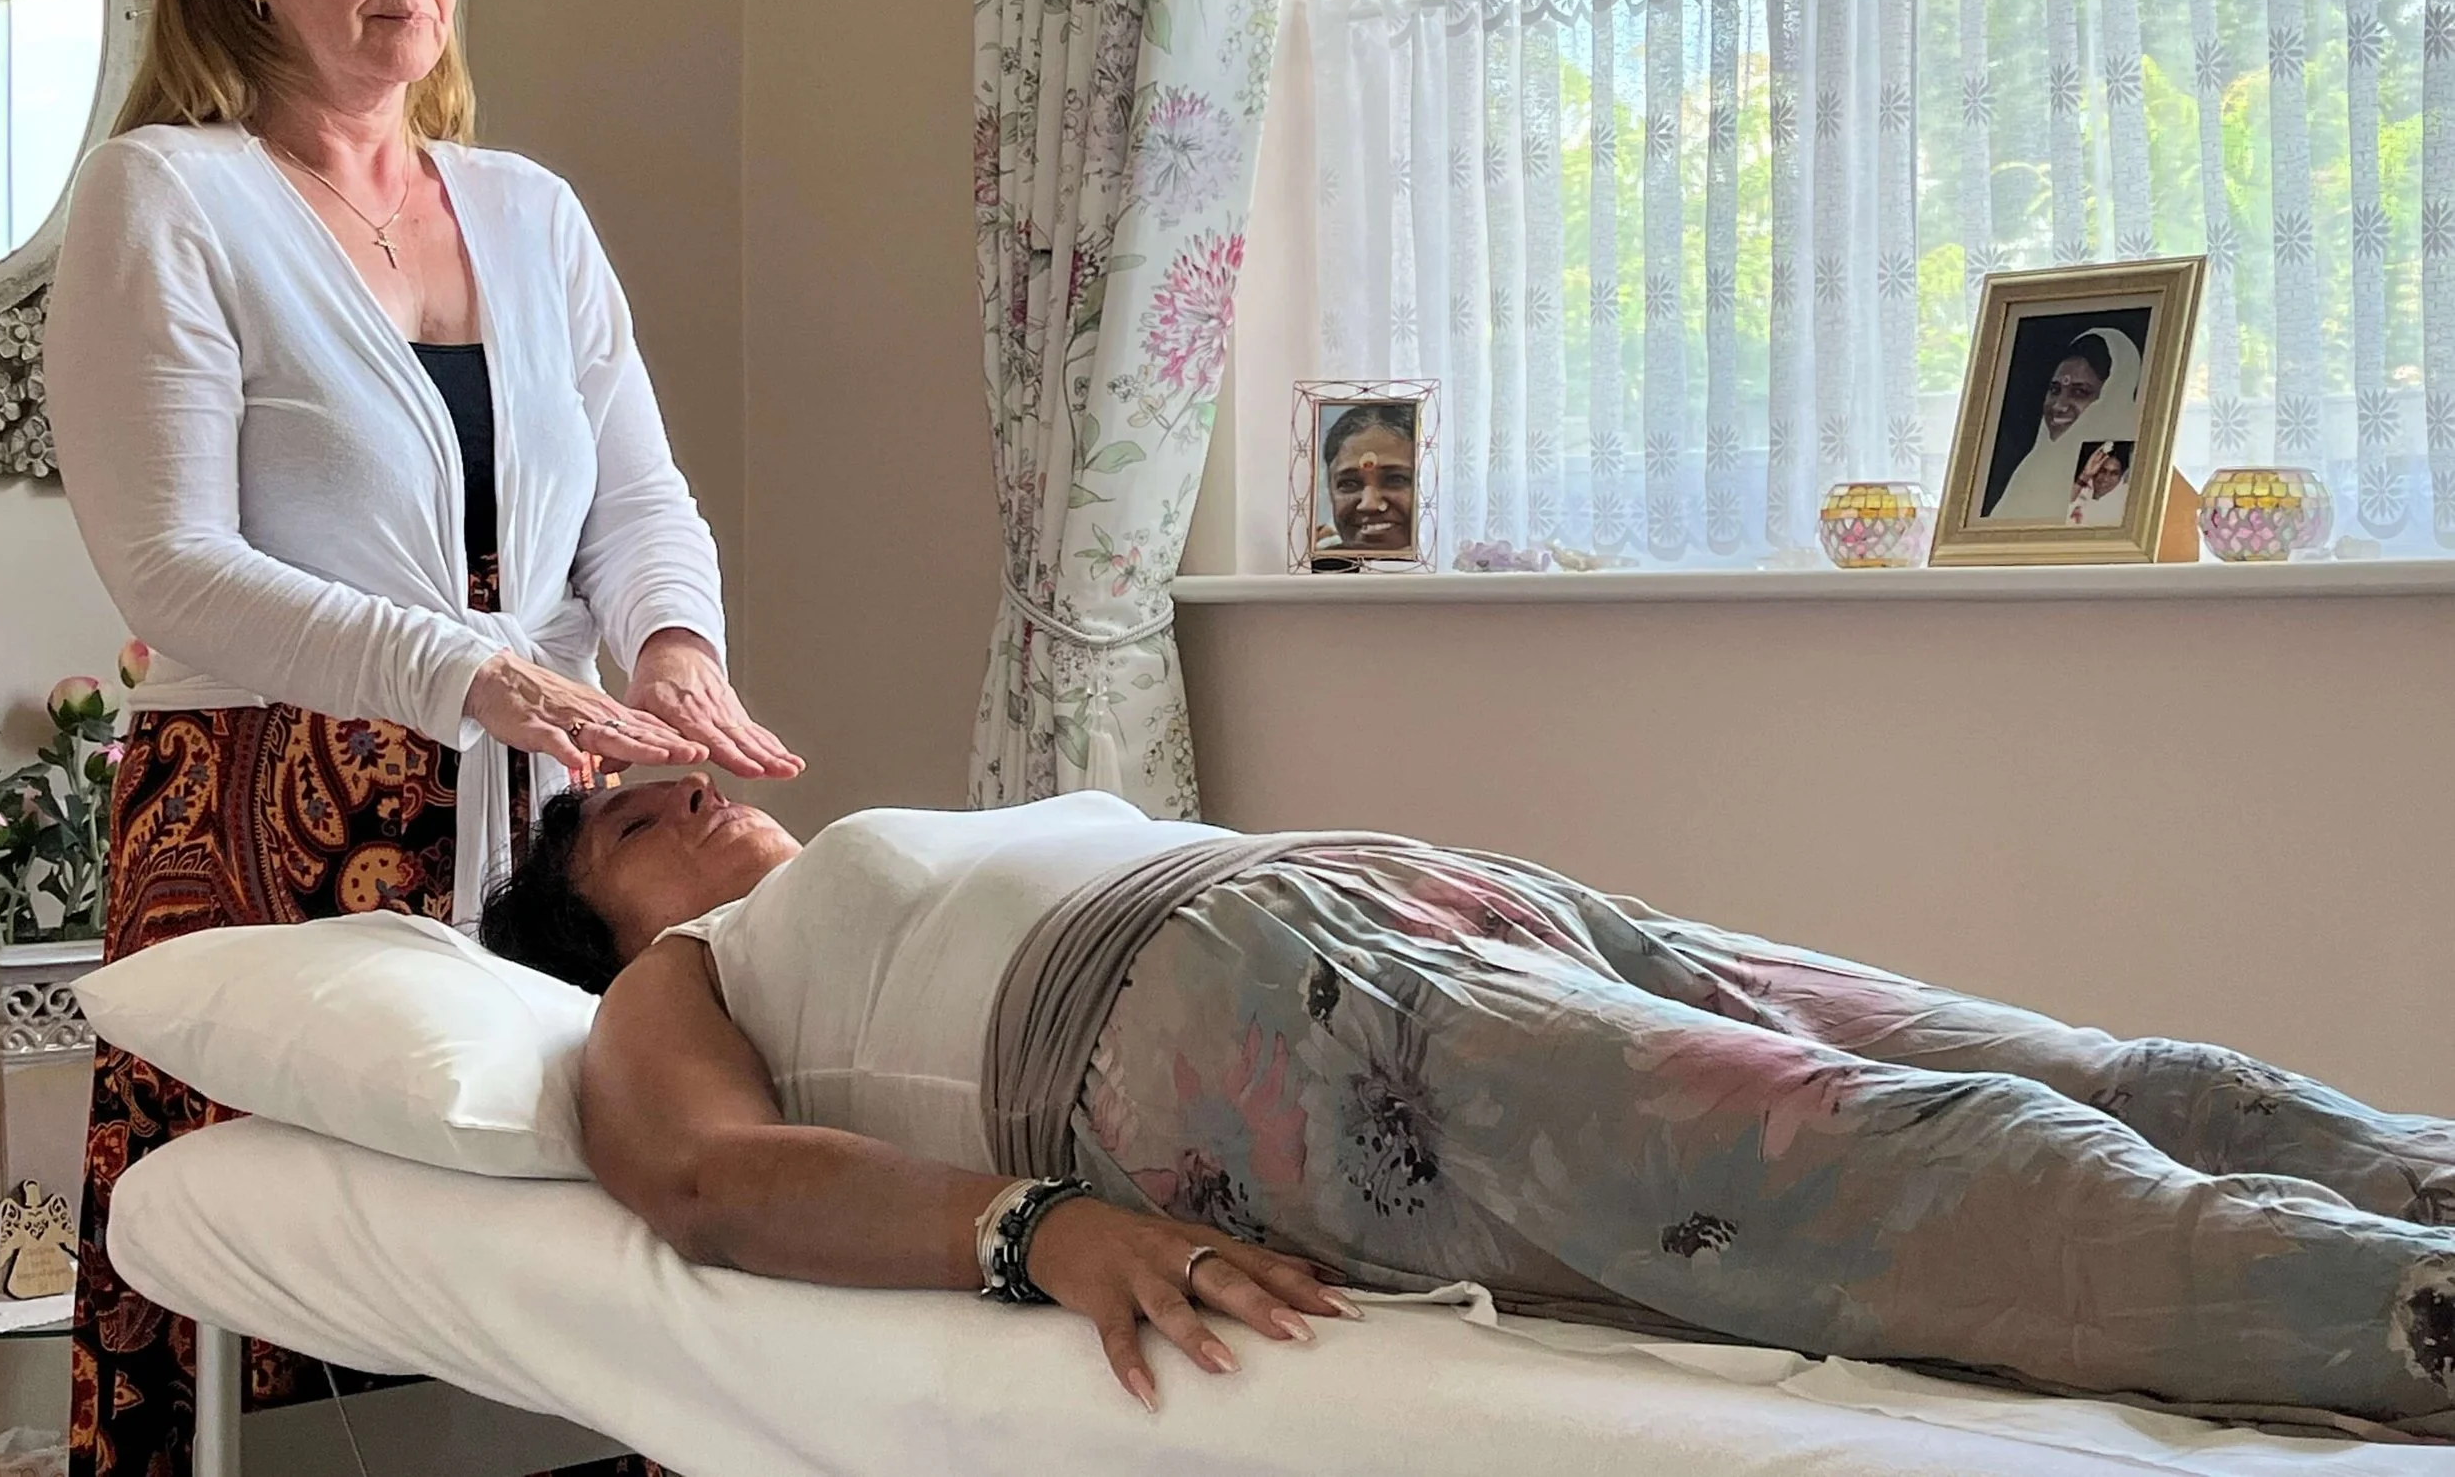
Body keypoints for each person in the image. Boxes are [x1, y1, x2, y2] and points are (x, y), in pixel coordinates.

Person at [41, 0, 801, 1477]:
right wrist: (468, 670)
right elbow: (169, 569)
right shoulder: (167, 197)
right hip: (266, 817)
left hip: (527, 816)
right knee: (253, 1300)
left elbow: (638, 505)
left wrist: (671, 650)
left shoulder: (530, 216)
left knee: (531, 1287)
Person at [480, 780, 2455, 1435]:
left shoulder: (904, 830)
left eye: (667, 774)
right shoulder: (678, 988)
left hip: (1386, 885)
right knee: (1870, 1155)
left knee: (2091, 1067)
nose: (672, 794)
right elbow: (705, 1179)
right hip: (1229, 1024)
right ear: (597, 931)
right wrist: (1030, 1228)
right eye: (624, 829)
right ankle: (2394, 1314)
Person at [1987, 326, 2143, 523]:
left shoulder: (2138, 470)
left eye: (2080, 392)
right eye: (2055, 389)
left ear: (2114, 395)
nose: (2059, 405)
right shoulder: (2031, 470)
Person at [1316, 401, 1417, 552]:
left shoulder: (1453, 571)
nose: (1368, 504)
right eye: (1349, 483)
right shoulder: (1314, 570)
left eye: (1396, 479)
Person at [2069, 440, 2132, 526]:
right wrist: (2085, 476)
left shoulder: (2124, 503)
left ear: (2121, 476)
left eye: (2114, 473)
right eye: (2102, 471)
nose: (2106, 478)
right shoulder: (2081, 489)